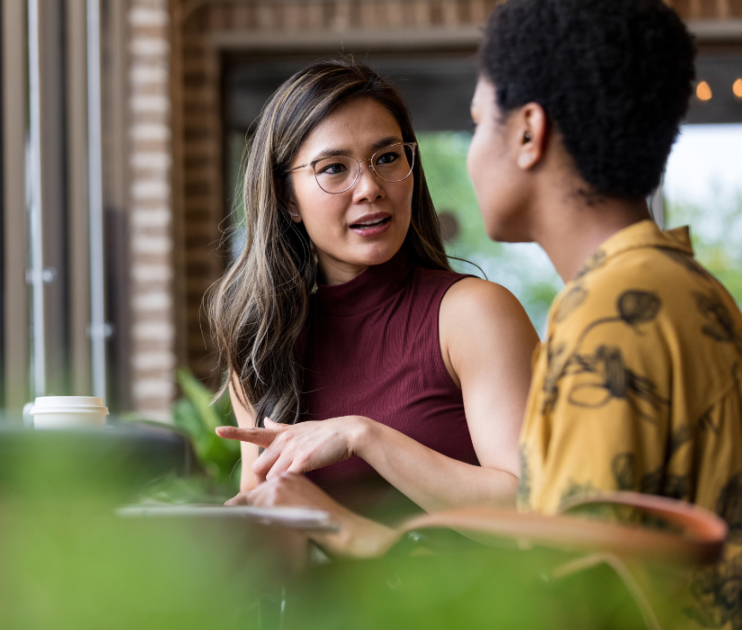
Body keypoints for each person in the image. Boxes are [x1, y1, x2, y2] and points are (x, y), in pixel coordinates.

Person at [469, 0, 742, 627]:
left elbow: (569, 597)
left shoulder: (610, 321)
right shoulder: (681, 287)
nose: (469, 156)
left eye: (475, 124)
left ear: (527, 132)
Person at [208, 59, 539, 557]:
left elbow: (532, 514)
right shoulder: (261, 344)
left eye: (386, 158)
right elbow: (275, 531)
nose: (369, 188)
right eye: (334, 168)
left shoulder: (472, 314)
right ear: (287, 198)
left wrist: (365, 436)